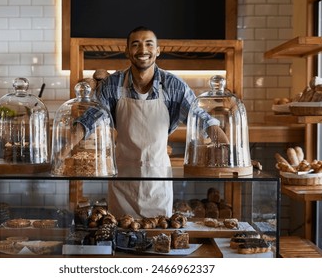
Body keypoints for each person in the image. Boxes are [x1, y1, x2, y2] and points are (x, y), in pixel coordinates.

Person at [73, 26, 228, 218]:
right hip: (122, 182)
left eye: (149, 44)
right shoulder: (113, 84)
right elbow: (89, 120)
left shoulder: (173, 86)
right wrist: (62, 154)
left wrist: (231, 154)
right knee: (121, 239)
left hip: (158, 181)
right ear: (127, 51)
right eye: (136, 44)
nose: (143, 50)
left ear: (158, 50)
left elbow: (202, 119)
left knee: (157, 239)